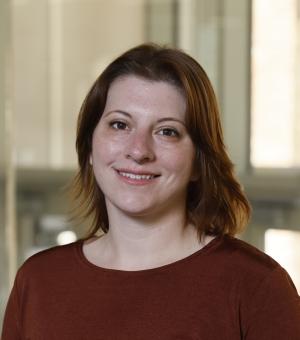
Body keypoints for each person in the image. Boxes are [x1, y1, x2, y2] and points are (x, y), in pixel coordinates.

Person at [2, 43, 300, 340]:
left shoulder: (256, 287)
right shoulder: (38, 282)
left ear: (199, 161)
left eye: (167, 131)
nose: (138, 150)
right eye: (120, 125)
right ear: (90, 146)